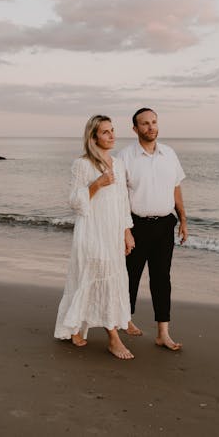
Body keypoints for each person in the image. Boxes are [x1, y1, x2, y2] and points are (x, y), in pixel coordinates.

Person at [54, 115, 136, 360]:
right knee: (92, 277)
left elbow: (123, 202)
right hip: (91, 230)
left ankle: (76, 326)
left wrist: (127, 231)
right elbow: (74, 202)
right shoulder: (82, 164)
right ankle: (113, 338)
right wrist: (97, 184)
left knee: (105, 277)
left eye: (112, 131)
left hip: (112, 231)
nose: (112, 136)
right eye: (105, 132)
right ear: (93, 137)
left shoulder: (119, 164)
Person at [119, 108, 187, 351]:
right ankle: (126, 319)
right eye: (145, 124)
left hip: (165, 225)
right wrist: (125, 230)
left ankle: (163, 333)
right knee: (130, 276)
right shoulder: (125, 156)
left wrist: (183, 219)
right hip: (136, 225)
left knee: (162, 279)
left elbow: (176, 188)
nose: (151, 127)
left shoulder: (169, 154)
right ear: (135, 129)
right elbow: (119, 197)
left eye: (154, 122)